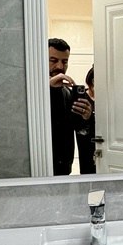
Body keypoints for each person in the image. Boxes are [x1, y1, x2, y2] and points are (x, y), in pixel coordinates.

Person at [48, 38, 77, 175]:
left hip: (65, 166)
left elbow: (77, 127)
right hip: (41, 164)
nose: (60, 66)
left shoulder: (68, 92)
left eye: (64, 62)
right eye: (53, 60)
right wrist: (48, 87)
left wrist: (87, 117)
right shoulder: (31, 91)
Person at [73, 65, 96, 174]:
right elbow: (76, 124)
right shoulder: (82, 98)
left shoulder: (107, 98)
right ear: (91, 82)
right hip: (86, 144)